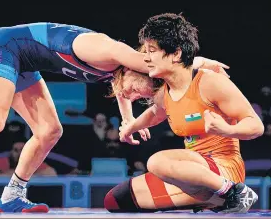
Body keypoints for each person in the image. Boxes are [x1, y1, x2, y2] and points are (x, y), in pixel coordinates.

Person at [0, 22, 229, 214]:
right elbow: (157, 67)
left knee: (49, 131)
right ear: (141, 66)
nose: (138, 96)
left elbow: (124, 89)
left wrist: (128, 121)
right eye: (143, 90)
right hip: (1, 47)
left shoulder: (117, 71)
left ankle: (13, 195)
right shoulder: (110, 49)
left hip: (24, 62)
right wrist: (199, 62)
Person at [104, 14, 264, 213]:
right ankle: (214, 201)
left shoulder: (210, 82)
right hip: (192, 174)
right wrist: (131, 127)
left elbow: (256, 126)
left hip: (222, 168)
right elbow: (155, 113)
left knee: (157, 162)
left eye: (151, 51)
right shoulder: (165, 92)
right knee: (116, 200)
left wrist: (227, 129)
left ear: (176, 54)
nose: (145, 58)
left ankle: (234, 192)